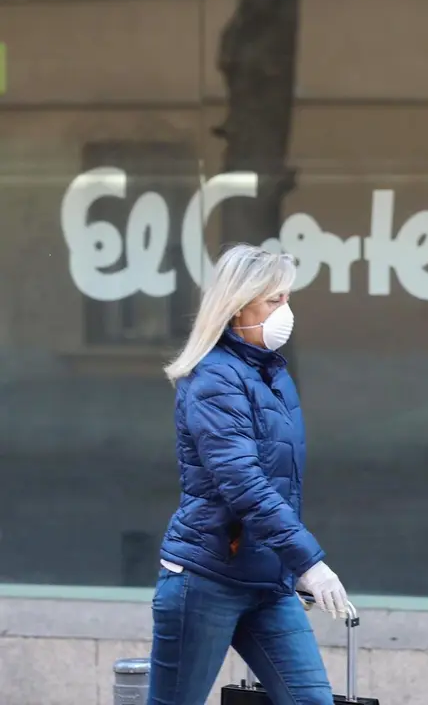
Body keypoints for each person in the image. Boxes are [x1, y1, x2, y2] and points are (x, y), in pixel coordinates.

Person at [148, 243, 348, 705]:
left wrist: (289, 566)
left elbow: (279, 483)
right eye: (275, 300)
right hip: (205, 579)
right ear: (239, 305)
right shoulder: (215, 378)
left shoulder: (269, 373)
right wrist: (309, 563)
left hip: (267, 581)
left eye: (289, 299)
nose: (286, 311)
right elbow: (245, 485)